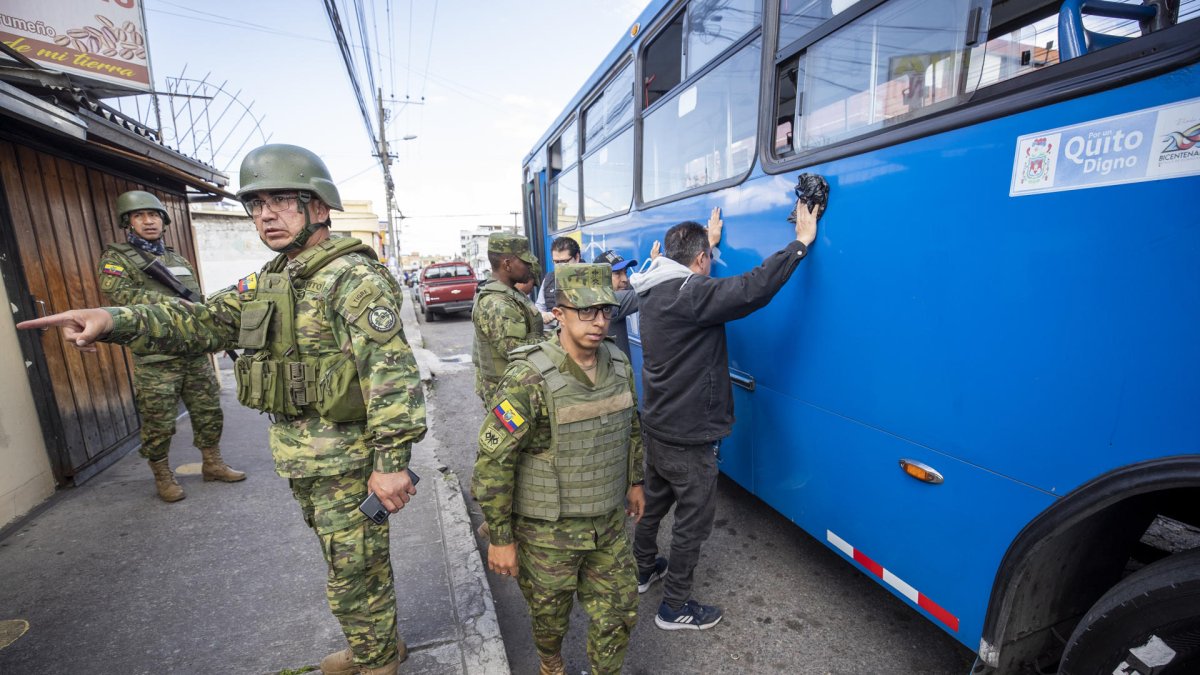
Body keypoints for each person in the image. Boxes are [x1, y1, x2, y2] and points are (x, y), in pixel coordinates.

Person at [21, 144, 426, 675]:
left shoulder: (353, 277)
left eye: (282, 200)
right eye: (257, 205)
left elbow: (391, 374)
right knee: (347, 560)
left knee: (353, 568)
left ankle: (376, 662)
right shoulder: (272, 277)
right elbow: (203, 321)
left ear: (319, 208)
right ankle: (378, 642)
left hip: (349, 458)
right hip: (304, 457)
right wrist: (113, 318)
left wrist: (392, 461)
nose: (266, 215)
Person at [629, 197, 822, 631]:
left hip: (658, 425)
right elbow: (751, 288)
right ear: (699, 260)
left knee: (655, 504)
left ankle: (643, 569)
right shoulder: (690, 294)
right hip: (689, 433)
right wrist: (800, 244)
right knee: (692, 521)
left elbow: (694, 291)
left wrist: (708, 248)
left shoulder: (651, 290)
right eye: (706, 259)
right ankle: (674, 606)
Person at [472, 263, 645, 675]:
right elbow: (494, 464)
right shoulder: (527, 377)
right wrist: (500, 538)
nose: (599, 321)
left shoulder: (619, 364)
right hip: (547, 534)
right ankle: (551, 664)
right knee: (550, 620)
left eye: (606, 310)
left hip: (606, 524)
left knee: (619, 612)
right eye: (586, 311)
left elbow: (631, 427)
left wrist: (635, 480)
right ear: (560, 313)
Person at [96, 190, 243, 502]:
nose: (148, 221)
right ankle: (162, 474)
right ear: (128, 222)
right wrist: (172, 303)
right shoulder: (117, 259)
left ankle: (212, 463)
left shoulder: (177, 259)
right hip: (156, 356)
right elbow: (122, 296)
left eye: (154, 216)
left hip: (193, 352)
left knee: (208, 412)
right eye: (139, 216)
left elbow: (196, 299)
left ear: (163, 221)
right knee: (158, 421)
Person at [472, 233, 546, 407]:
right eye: (524, 262)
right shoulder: (496, 303)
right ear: (507, 264)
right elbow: (516, 350)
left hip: (518, 387)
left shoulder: (511, 294)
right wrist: (556, 341)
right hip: (507, 394)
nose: (529, 266)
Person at [592, 250, 640, 357]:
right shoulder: (608, 301)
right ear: (600, 279)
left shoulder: (596, 295)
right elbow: (644, 291)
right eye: (617, 273)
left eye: (625, 272)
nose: (625, 279)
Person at [535, 237, 581, 324]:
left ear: (577, 257)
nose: (559, 266)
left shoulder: (590, 278)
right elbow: (539, 308)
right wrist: (543, 314)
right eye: (556, 262)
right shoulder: (549, 279)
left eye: (564, 262)